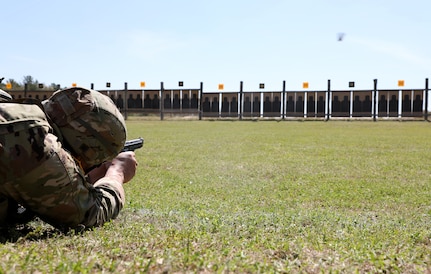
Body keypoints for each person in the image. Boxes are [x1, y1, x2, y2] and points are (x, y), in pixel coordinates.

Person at [0, 87, 138, 230]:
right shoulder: (38, 140)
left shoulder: (18, 113)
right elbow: (88, 214)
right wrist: (117, 172)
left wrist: (82, 179)